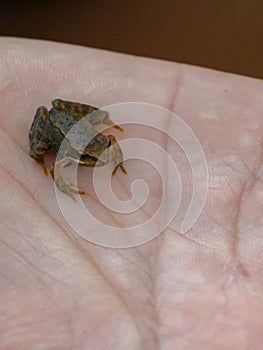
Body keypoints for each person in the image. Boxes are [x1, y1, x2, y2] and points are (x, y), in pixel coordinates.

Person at [1, 37, 262, 349]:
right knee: (38, 150)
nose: (100, 157)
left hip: (73, 123)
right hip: (60, 132)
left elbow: (108, 143)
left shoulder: (101, 144)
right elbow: (60, 172)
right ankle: (38, 153)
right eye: (93, 158)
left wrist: (113, 156)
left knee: (66, 111)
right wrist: (56, 172)